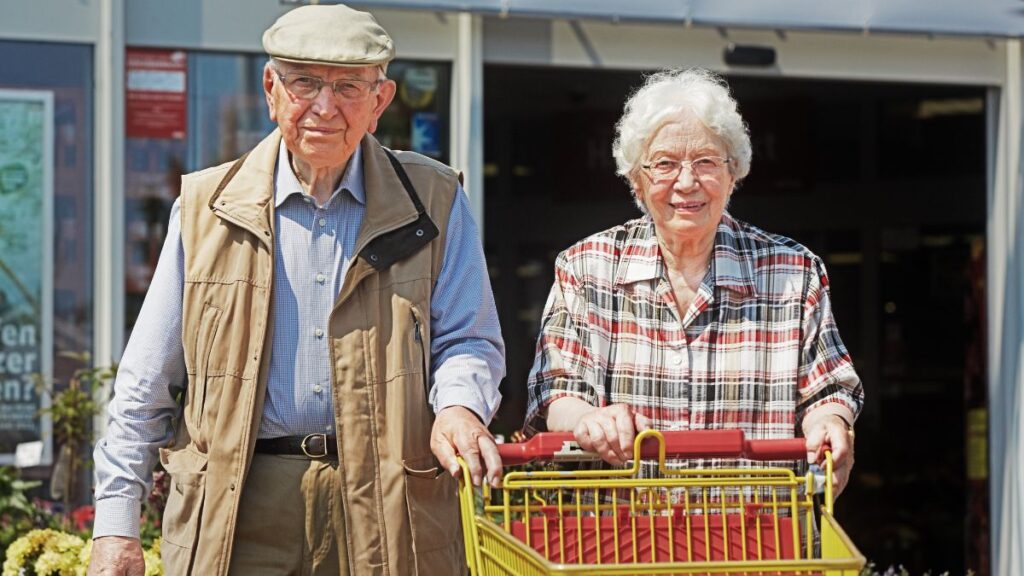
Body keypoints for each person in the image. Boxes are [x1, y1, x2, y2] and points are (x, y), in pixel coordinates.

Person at [88, 5, 505, 575]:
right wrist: (115, 525)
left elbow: (468, 337)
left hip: (388, 502)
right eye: (304, 82)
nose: (324, 107)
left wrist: (459, 406)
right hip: (238, 507)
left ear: (380, 101)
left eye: (347, 87)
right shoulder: (206, 210)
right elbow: (146, 383)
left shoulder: (433, 200)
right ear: (271, 89)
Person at [525, 68, 863, 494]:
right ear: (636, 178)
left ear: (733, 172)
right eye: (665, 164)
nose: (687, 182)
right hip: (623, 543)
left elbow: (828, 391)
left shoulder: (793, 271)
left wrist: (830, 425)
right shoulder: (585, 268)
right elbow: (558, 392)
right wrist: (589, 421)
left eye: (705, 161)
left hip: (757, 544)